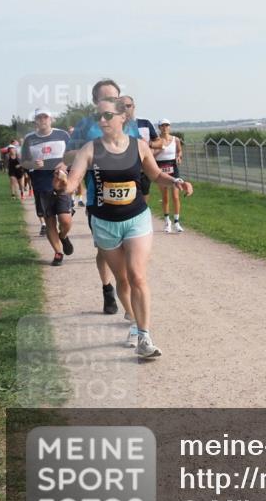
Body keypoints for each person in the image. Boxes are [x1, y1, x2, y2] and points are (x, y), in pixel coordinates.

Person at [54, 97, 193, 358]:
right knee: (123, 280)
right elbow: (72, 184)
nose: (103, 120)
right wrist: (62, 185)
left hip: (136, 218)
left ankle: (144, 336)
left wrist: (176, 181)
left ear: (122, 118)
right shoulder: (89, 149)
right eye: (100, 117)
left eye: (109, 116)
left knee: (137, 275)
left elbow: (155, 175)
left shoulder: (139, 146)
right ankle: (131, 318)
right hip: (105, 223)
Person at [64, 79, 140, 314]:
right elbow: (68, 156)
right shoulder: (86, 125)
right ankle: (108, 288)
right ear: (95, 101)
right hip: (98, 198)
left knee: (131, 252)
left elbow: (139, 151)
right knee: (105, 251)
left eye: (115, 98)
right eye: (104, 98)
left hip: (130, 196)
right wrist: (96, 151)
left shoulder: (129, 123)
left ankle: (127, 295)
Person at [22, 108, 74, 265]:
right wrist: (33, 164)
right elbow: (24, 162)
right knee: (50, 220)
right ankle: (58, 253)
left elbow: (73, 154)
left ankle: (63, 236)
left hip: (61, 183)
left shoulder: (63, 135)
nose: (43, 120)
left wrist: (64, 164)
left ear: (51, 119)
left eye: (46, 117)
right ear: (35, 121)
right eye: (39, 117)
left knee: (65, 220)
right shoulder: (29, 139)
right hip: (41, 185)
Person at [119, 95, 160, 197]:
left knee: (144, 198)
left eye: (128, 106)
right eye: (122, 106)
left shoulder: (145, 123)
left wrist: (148, 145)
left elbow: (159, 142)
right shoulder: (115, 124)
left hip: (143, 169)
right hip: (124, 170)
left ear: (133, 106)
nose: (125, 109)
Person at [152, 119, 184, 233]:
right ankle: (167, 222)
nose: (165, 127)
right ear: (159, 127)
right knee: (165, 197)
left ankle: (177, 222)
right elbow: (151, 155)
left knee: (175, 196)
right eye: (162, 126)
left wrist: (179, 157)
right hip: (161, 168)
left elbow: (179, 151)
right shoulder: (156, 140)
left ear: (170, 127)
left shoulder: (175, 139)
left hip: (173, 167)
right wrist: (160, 149)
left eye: (167, 125)